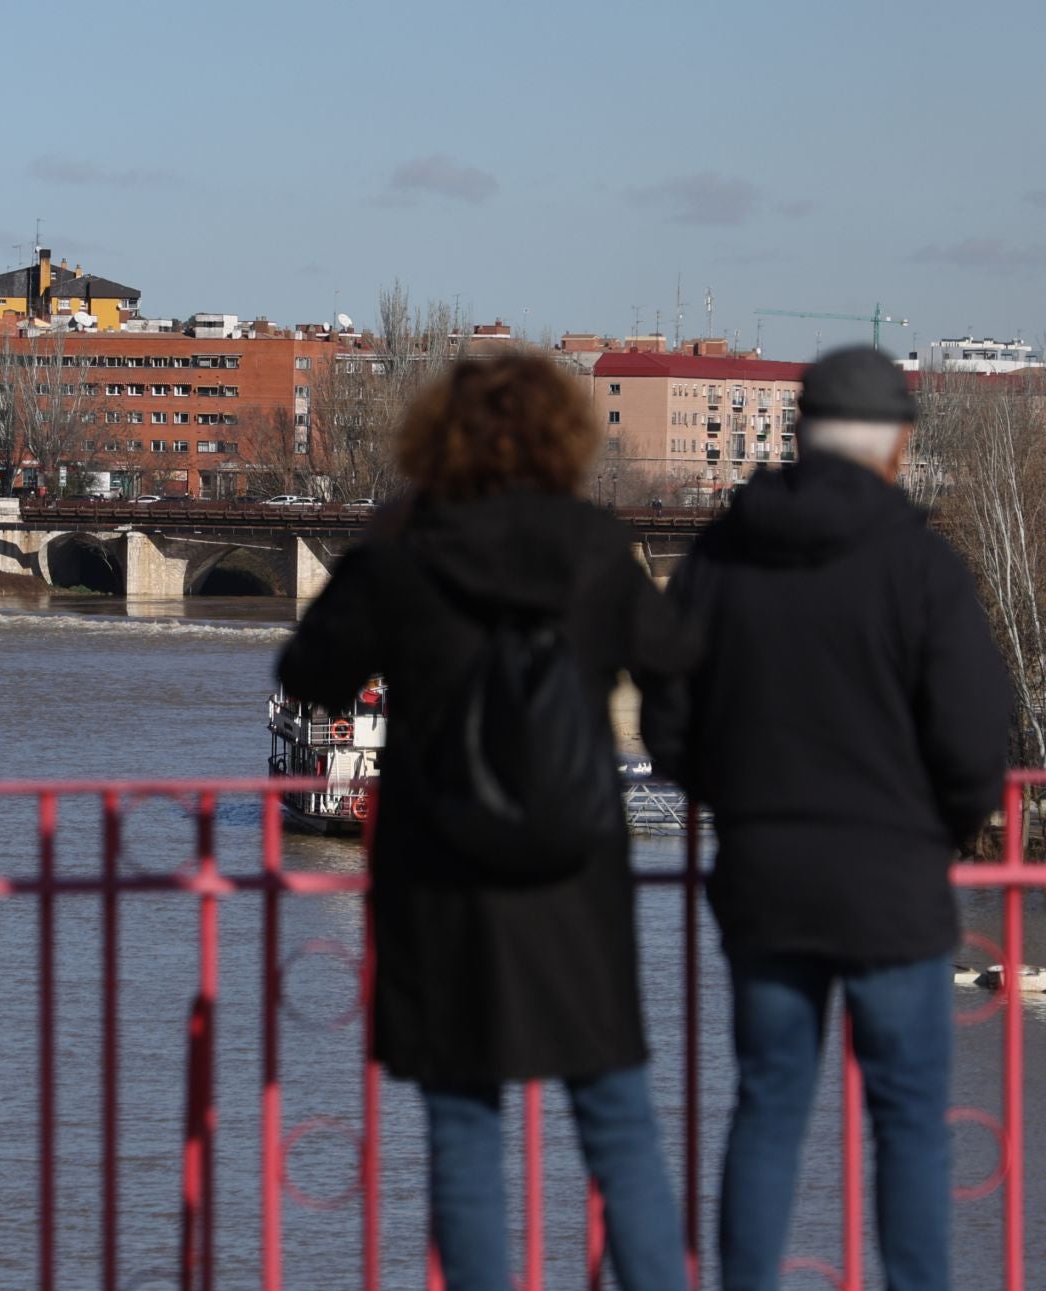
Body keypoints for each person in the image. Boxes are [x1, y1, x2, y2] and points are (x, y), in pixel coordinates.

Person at [278, 351, 694, 1291]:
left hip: (441, 877)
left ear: (440, 442)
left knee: (465, 1136)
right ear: (564, 439)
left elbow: (311, 675)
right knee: (620, 1130)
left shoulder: (409, 548)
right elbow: (680, 664)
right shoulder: (593, 545)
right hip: (574, 876)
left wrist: (377, 551)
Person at [641, 346, 1011, 1291]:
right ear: (896, 448)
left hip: (767, 881)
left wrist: (743, 800)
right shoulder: (924, 568)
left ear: (800, 434)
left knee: (767, 1109)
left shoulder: (724, 555)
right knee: (908, 1122)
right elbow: (975, 742)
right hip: (894, 887)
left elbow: (666, 716)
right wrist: (942, 827)